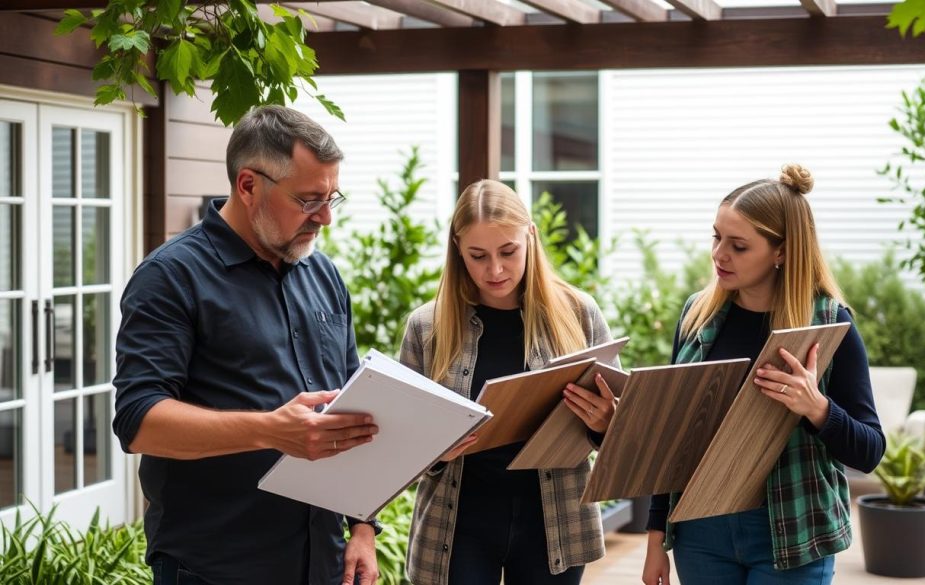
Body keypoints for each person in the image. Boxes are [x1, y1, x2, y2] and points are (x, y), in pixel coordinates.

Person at [112, 105, 381, 585]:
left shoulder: (323, 274)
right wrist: (270, 430)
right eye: (307, 200)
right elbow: (138, 421)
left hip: (321, 563)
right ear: (249, 185)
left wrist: (363, 528)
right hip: (214, 568)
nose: (325, 218)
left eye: (331, 198)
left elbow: (352, 407)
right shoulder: (170, 277)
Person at [641, 164, 885, 585]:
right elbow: (675, 439)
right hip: (700, 531)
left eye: (738, 246)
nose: (719, 254)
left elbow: (870, 450)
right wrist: (655, 538)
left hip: (792, 531)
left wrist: (818, 409)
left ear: (782, 251)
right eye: (717, 237)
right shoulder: (698, 315)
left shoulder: (829, 323)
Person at [398, 179, 619, 585]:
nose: (495, 269)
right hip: (457, 524)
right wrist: (436, 451)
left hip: (555, 523)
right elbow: (399, 446)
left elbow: (623, 431)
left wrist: (606, 423)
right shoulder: (426, 327)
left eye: (508, 251)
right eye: (478, 256)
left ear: (530, 237)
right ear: (457, 250)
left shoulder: (579, 314)